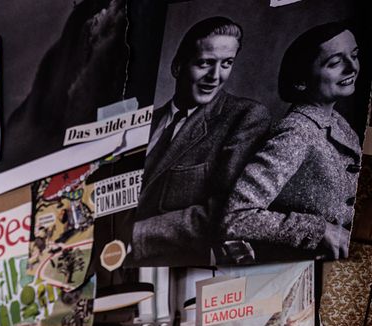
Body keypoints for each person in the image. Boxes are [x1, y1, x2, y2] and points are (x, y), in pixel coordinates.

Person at [132, 16, 272, 266]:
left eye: (226, 63)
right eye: (205, 63)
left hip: (177, 266)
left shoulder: (245, 117)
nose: (215, 76)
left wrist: (134, 236)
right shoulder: (145, 121)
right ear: (177, 67)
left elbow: (224, 210)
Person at [223, 22, 364, 262]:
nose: (351, 68)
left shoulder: (337, 122)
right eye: (335, 62)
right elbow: (237, 217)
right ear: (301, 82)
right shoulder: (296, 132)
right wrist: (320, 231)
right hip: (302, 269)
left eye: (354, 55)